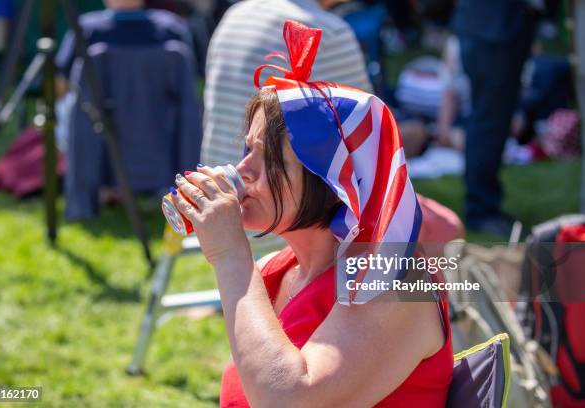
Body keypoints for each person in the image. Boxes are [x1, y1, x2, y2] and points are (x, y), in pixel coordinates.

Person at [171, 21, 453, 407]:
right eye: (248, 150)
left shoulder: (395, 285)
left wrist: (231, 256)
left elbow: (289, 399)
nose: (243, 170)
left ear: (335, 183)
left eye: (270, 158)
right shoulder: (275, 272)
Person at [201, 0, 373, 166]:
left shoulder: (234, 16)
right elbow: (368, 139)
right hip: (264, 190)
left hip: (214, 183)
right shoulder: (329, 31)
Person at [452, 0, 537, 236]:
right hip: (491, 29)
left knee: (493, 120)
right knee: (488, 121)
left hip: (497, 26)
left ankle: (485, 205)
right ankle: (481, 209)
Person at [55, 0, 193, 95]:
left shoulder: (84, 31)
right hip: (161, 132)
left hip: (97, 132)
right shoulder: (174, 30)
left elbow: (61, 86)